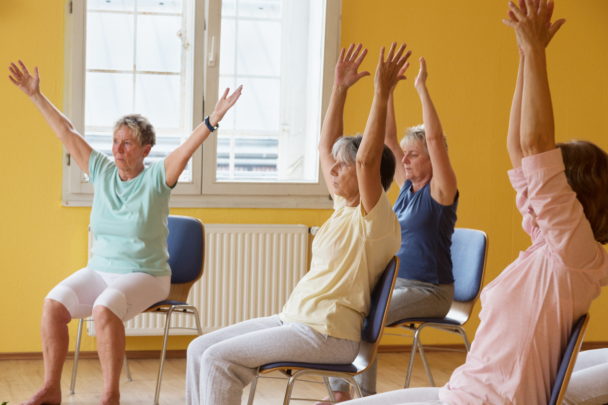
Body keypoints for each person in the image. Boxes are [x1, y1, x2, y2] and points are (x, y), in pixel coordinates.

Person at [341, 1, 608, 404]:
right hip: (462, 391)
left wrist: (536, 51)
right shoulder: (549, 243)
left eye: (552, 174)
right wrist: (524, 53)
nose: (538, 177)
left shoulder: (573, 251)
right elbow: (519, 149)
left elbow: (534, 146)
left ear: (572, 194)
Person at [8, 61, 241, 405]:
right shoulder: (102, 171)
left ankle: (110, 396)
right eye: (115, 141)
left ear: (145, 150)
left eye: (127, 143)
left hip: (147, 274)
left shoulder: (157, 178)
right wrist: (36, 95)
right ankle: (51, 389)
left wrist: (213, 119)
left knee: (104, 309)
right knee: (53, 305)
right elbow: (67, 133)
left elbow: (187, 148)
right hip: (100, 271)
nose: (117, 149)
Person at [185, 43, 406, 405]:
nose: (333, 170)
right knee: (200, 349)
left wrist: (381, 94)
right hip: (295, 320)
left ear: (368, 176)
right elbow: (324, 147)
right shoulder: (343, 206)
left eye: (343, 166)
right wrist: (339, 89)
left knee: (219, 360)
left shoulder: (377, 221)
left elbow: (366, 161)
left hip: (329, 333)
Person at [324, 53, 458, 402]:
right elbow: (387, 140)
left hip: (431, 291)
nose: (406, 159)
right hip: (398, 286)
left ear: (432, 157)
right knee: (347, 308)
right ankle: (342, 391)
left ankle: (358, 397)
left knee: (370, 314)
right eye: (406, 155)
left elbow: (434, 138)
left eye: (415, 154)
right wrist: (390, 90)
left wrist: (421, 88)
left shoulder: (441, 192)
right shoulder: (405, 190)